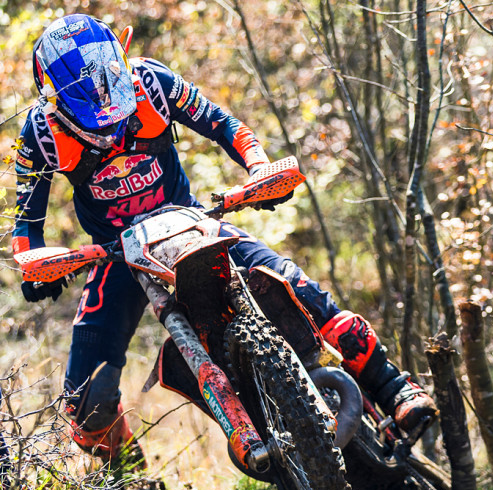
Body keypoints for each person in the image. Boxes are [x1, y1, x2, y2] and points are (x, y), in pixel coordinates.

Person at [12, 14, 437, 466]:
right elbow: (25, 222)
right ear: (53, 98)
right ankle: (130, 478)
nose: (105, 111)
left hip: (191, 222)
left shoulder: (151, 82)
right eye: (87, 101)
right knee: (84, 401)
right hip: (116, 254)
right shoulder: (39, 133)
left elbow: (223, 124)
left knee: (297, 286)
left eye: (110, 87)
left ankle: (394, 388)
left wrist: (260, 169)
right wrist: (35, 266)